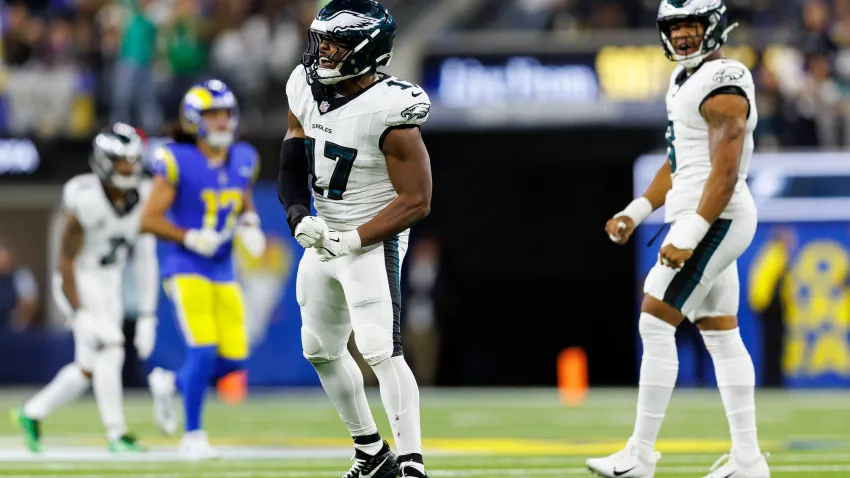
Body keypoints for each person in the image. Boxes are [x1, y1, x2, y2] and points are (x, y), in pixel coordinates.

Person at [587, 1, 770, 477]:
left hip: (717, 217)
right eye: (674, 26)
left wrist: (690, 230)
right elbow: (681, 160)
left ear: (713, 25)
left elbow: (725, 173)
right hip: (702, 213)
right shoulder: (684, 79)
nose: (683, 35)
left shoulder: (724, 79)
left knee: (654, 319)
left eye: (691, 24)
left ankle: (640, 455)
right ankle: (748, 460)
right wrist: (638, 209)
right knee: (722, 335)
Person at [277, 1, 432, 477]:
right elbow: (292, 154)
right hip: (325, 229)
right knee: (319, 348)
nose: (323, 51)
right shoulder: (303, 85)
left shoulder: (390, 108)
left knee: (380, 347)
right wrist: (297, 213)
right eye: (321, 40)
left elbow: (417, 200)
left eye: (337, 43)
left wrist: (355, 238)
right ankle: (370, 451)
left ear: (369, 50)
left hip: (372, 235)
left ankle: (411, 463)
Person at [12, 123, 159, 453]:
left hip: (111, 281)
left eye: (134, 160)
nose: (130, 168)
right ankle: (116, 433)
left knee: (88, 368)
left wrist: (149, 314)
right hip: (78, 279)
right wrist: (78, 312)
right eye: (123, 161)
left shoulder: (146, 193)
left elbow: (146, 259)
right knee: (112, 346)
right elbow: (65, 262)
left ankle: (31, 412)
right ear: (105, 161)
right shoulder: (85, 196)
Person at [141, 79, 265, 460]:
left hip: (223, 267)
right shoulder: (177, 159)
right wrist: (189, 236)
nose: (222, 122)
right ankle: (192, 435)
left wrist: (250, 224)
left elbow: (242, 198)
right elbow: (148, 219)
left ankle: (171, 383)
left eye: (226, 114)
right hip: (185, 266)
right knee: (203, 349)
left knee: (235, 359)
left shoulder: (243, 156)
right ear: (194, 120)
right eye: (213, 115)